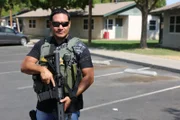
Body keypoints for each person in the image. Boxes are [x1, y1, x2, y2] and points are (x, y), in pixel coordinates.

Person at [21, 8, 94, 120]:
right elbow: (25, 65)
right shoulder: (42, 44)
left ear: (69, 24)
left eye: (64, 24)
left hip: (69, 108)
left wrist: (71, 96)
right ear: (50, 24)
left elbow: (89, 77)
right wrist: (42, 70)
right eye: (56, 24)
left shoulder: (79, 47)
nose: (60, 27)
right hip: (44, 108)